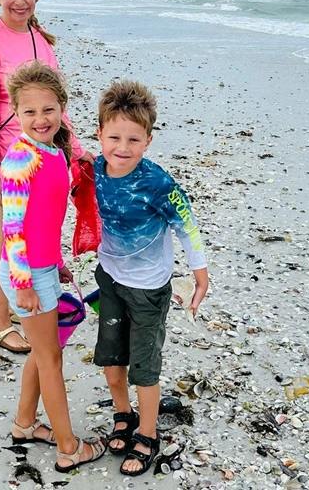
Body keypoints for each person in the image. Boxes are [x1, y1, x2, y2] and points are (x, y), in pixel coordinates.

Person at [0, 0, 92, 353]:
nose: (19, 1)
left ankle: (32, 303)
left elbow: (56, 104)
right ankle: (0, 323)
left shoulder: (40, 38)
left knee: (41, 228)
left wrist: (77, 149)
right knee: (7, 239)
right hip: (11, 159)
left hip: (48, 150)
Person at [92, 80, 209, 476]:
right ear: (100, 134)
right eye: (114, 137)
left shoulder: (158, 183)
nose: (122, 147)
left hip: (148, 289)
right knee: (111, 360)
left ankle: (147, 431)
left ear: (148, 140)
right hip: (109, 277)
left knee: (144, 365)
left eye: (133, 139)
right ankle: (122, 414)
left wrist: (200, 273)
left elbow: (186, 223)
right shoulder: (94, 168)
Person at [0, 60, 106, 472]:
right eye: (29, 112)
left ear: (62, 107)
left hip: (43, 268)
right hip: (25, 275)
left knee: (44, 352)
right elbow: (12, 227)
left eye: (48, 110)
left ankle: (24, 425)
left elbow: (42, 218)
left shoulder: (53, 151)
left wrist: (58, 260)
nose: (40, 119)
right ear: (16, 113)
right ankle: (68, 448)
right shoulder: (20, 160)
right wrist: (24, 283)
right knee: (50, 360)